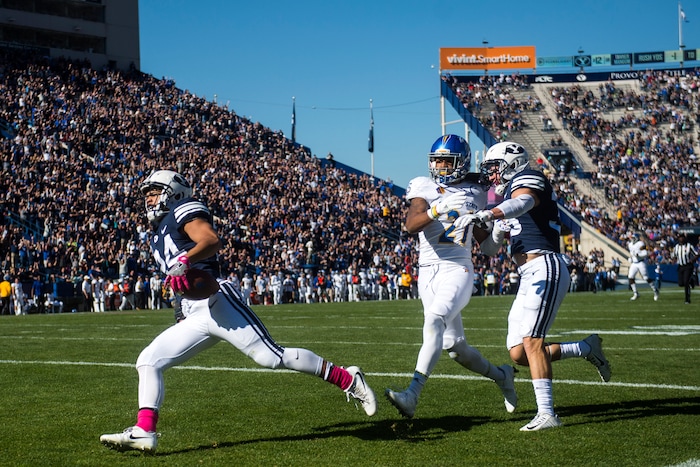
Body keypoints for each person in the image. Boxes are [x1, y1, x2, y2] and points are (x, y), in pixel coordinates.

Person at [100, 170, 376, 454]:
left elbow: (210, 240)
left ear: (174, 192)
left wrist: (185, 258)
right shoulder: (157, 233)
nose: (149, 199)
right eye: (147, 194)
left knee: (272, 358)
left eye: (154, 192)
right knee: (148, 360)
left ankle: (348, 378)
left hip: (217, 301)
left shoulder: (184, 208)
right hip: (194, 312)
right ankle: (145, 430)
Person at [458, 141, 611, 431]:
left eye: (494, 168)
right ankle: (584, 348)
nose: (491, 175)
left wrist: (490, 214)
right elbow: (491, 248)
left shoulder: (528, 179)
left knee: (532, 339)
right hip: (527, 273)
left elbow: (524, 202)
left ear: (512, 163)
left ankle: (547, 413)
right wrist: (471, 224)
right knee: (518, 352)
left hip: (545, 264)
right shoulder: (505, 202)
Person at [384, 134, 517, 419]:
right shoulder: (424, 186)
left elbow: (489, 249)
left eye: (447, 160)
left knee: (434, 320)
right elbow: (411, 225)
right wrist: (436, 209)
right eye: (437, 160)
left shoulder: (477, 192)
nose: (441, 166)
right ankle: (502, 376)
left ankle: (412, 394)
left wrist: (496, 231)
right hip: (427, 273)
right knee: (455, 348)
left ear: (462, 163)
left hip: (458, 268)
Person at [627, 232, 659, 301]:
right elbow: (632, 254)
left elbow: (645, 253)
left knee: (646, 278)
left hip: (641, 262)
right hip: (634, 263)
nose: (632, 239)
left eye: (633, 238)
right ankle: (636, 293)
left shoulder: (640, 244)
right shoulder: (630, 245)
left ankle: (655, 290)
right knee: (630, 277)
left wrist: (638, 255)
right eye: (632, 238)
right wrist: (631, 258)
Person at [672, 234, 698, 304]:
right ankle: (691, 281)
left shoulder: (689, 246)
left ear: (684, 238)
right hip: (680, 266)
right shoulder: (676, 247)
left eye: (682, 237)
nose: (681, 239)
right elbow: (674, 255)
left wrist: (693, 260)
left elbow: (696, 254)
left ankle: (687, 299)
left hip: (688, 266)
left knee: (686, 282)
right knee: (681, 283)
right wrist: (673, 259)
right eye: (680, 238)